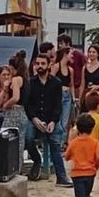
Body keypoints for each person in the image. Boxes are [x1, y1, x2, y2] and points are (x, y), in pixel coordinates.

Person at [23, 55, 69, 185]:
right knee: (28, 138)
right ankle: (37, 160)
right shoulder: (30, 82)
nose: (40, 66)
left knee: (55, 143)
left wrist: (53, 122)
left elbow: (58, 105)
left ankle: (61, 176)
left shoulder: (56, 82)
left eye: (43, 63)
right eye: (37, 64)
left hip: (51, 120)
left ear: (49, 65)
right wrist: (35, 119)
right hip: (34, 119)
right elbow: (28, 105)